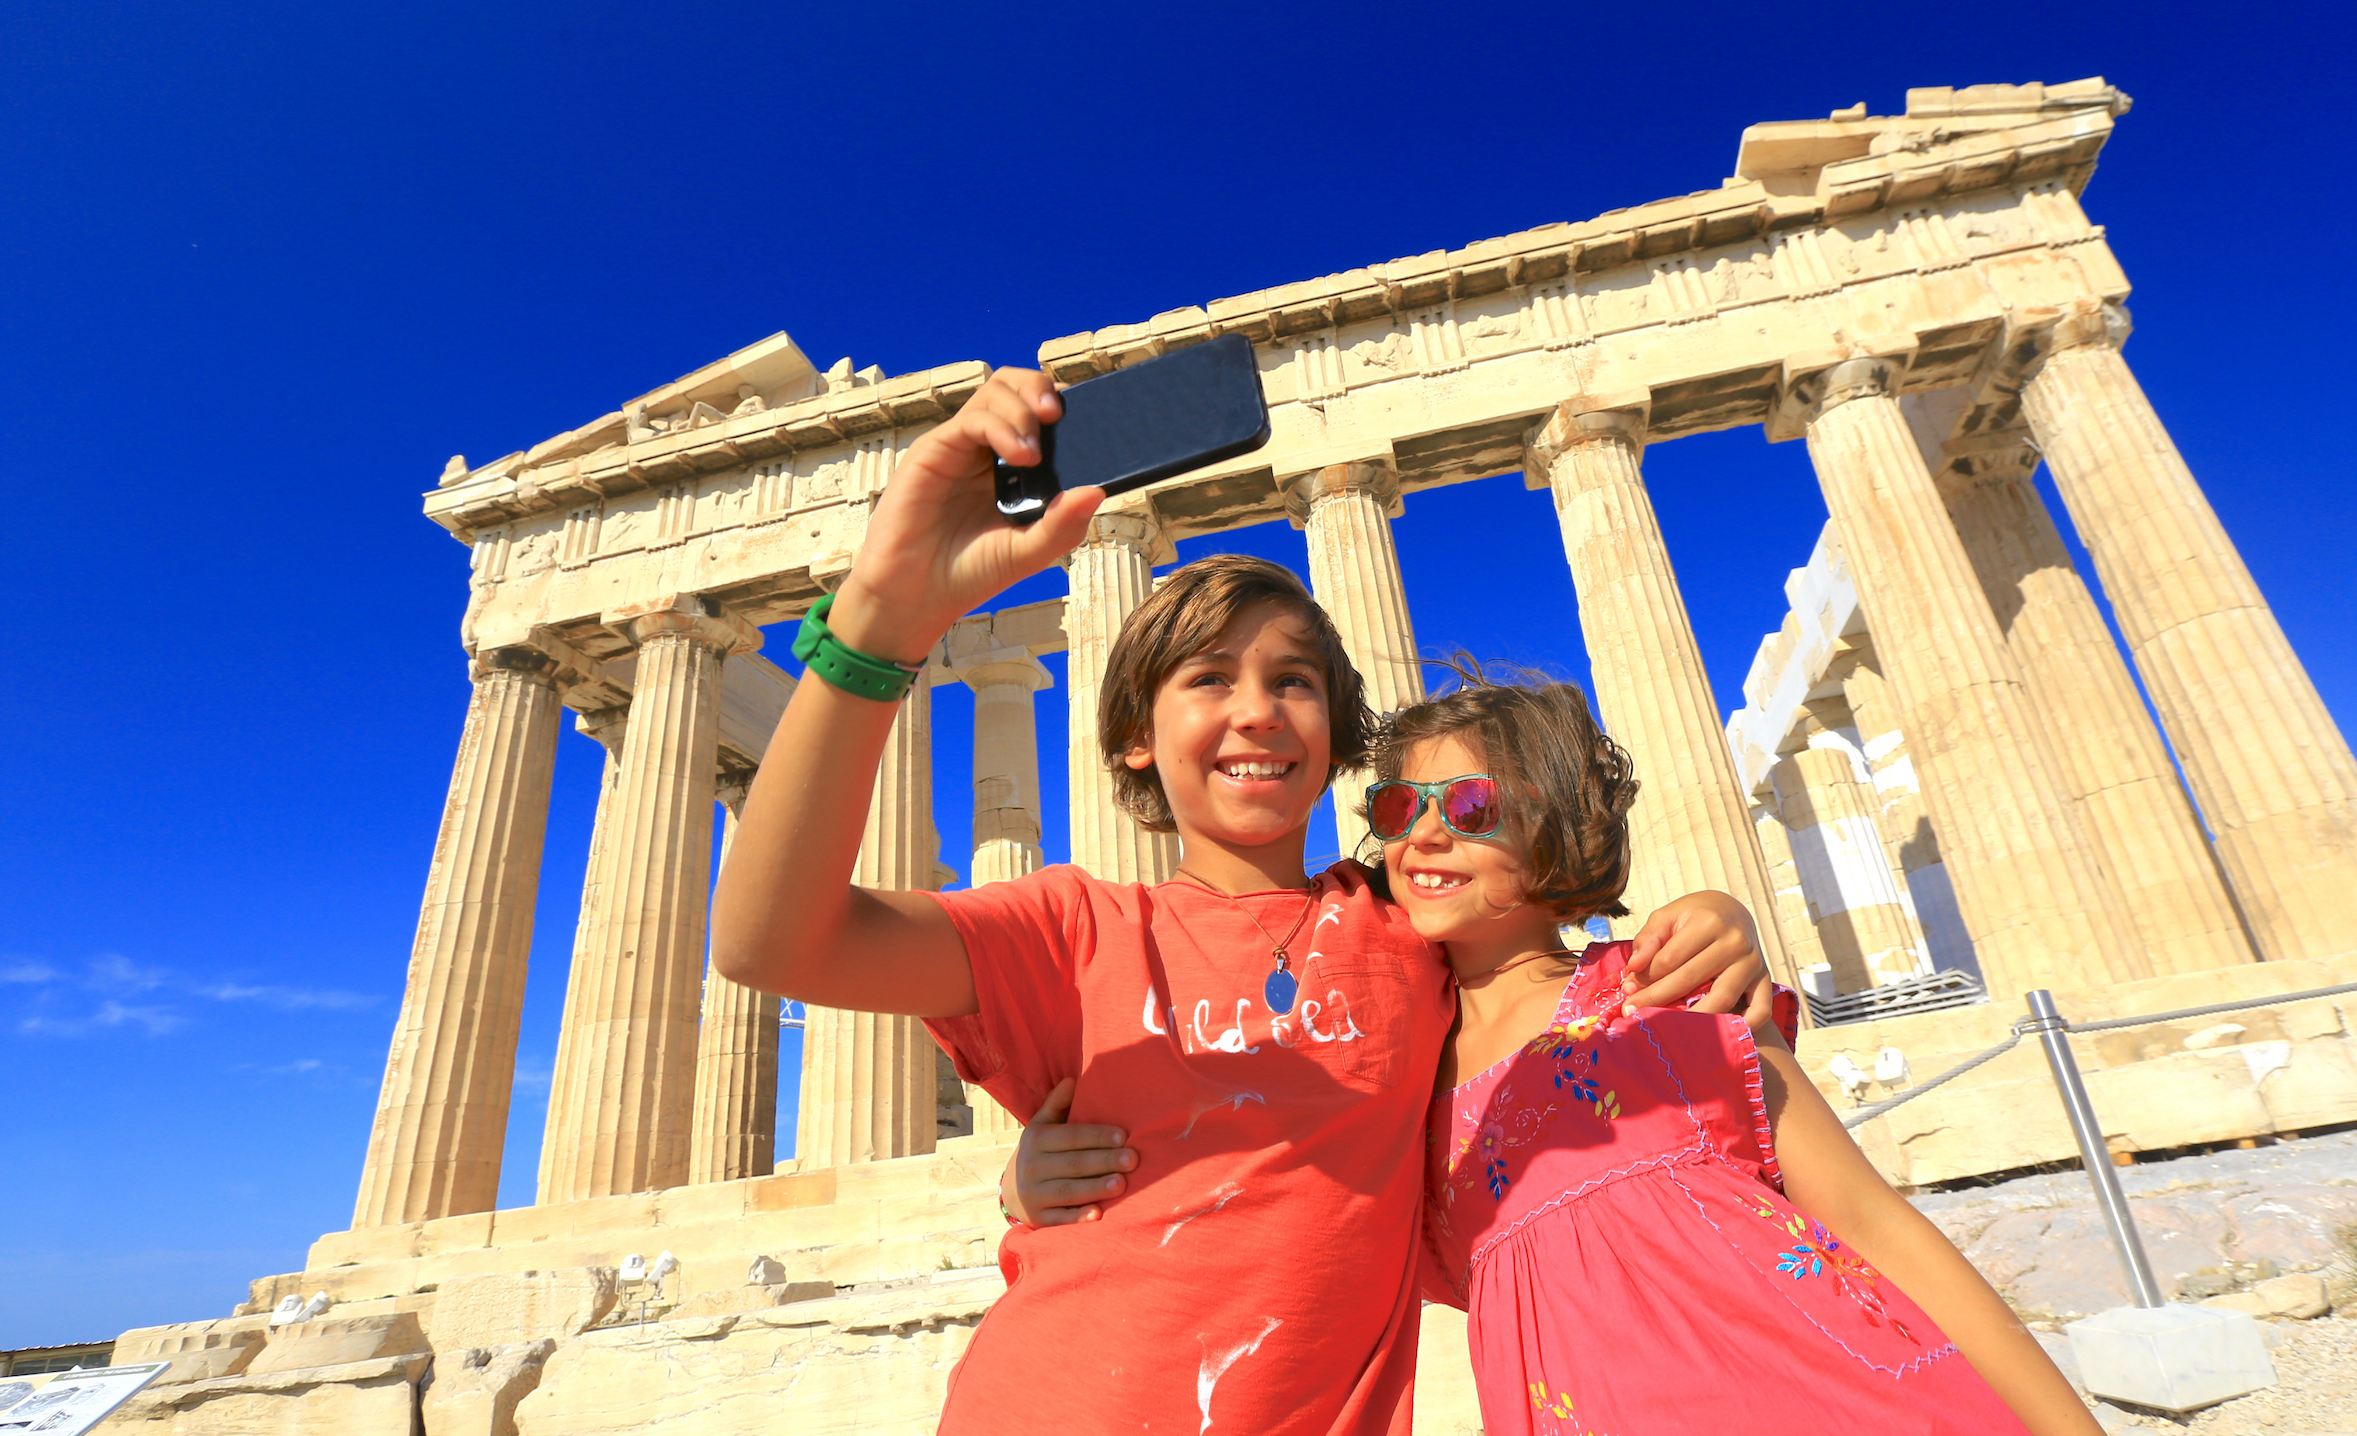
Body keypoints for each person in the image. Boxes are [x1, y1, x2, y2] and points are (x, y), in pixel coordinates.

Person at [708, 368, 1772, 1436]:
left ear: (1336, 730)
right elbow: (770, 942)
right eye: (1207, 680)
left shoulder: (1404, 930)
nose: (1256, 712)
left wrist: (1713, 914)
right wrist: (880, 625)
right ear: (1135, 735)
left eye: (1294, 681)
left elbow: (1553, 955)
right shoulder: (1071, 933)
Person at [1013, 661, 2104, 1436]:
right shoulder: (1382, 1077)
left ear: (1560, 825)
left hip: (1847, 1399)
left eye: (1475, 803)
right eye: (1398, 804)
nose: (1424, 833)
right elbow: (1231, 1161)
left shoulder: (1664, 1001)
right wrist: (1031, 1183)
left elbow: (1874, 1224)